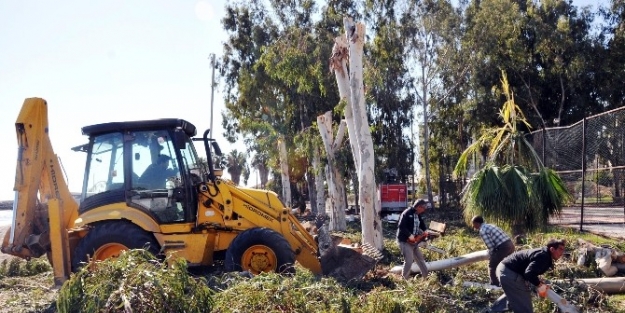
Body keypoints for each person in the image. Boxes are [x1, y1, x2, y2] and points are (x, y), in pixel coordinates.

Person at [496, 239, 567, 313]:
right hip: (509, 272)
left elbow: (530, 271)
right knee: (524, 306)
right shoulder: (543, 257)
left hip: (505, 269)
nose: (562, 253)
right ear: (552, 249)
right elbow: (529, 273)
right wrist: (539, 285)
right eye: (560, 249)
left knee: (514, 292)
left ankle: (493, 310)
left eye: (563, 250)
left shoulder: (544, 253)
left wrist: (538, 282)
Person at [471, 215, 515, 286]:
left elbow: (491, 246)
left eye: (473, 224)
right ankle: (510, 281)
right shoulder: (490, 225)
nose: (473, 226)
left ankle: (495, 284)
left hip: (503, 247)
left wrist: (492, 256)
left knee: (492, 265)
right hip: (510, 245)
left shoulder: (482, 230)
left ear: (476, 223)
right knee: (507, 264)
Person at [396, 199, 429, 280]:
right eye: (423, 208)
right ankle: (404, 279)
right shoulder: (407, 213)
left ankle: (426, 277)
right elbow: (401, 226)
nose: (424, 210)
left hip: (414, 242)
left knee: (420, 259)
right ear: (419, 207)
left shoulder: (417, 214)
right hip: (405, 241)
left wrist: (425, 230)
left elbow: (421, 223)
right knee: (409, 261)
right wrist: (409, 235)